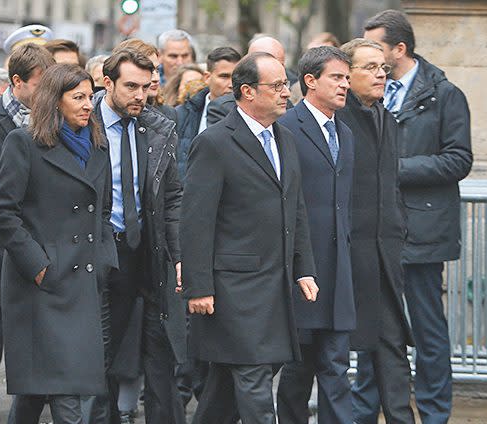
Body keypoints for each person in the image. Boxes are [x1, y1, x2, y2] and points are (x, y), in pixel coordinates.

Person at [181, 51, 319, 424]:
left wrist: (304, 268)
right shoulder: (215, 142)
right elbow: (196, 220)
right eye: (276, 86)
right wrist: (198, 286)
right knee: (254, 379)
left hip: (274, 285)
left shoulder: (285, 139)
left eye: (284, 85)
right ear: (247, 92)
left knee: (230, 385)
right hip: (233, 288)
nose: (286, 93)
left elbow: (296, 209)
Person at [359, 10, 473, 424]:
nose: (370, 56)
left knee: (427, 330)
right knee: (373, 328)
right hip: (375, 230)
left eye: (377, 48)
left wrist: (394, 168)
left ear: (400, 49)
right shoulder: (368, 92)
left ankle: (435, 413)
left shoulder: (445, 95)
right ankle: (365, 410)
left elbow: (458, 159)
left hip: (424, 229)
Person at [0, 63, 116, 424]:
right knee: (61, 388)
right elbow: (3, 213)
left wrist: (103, 261)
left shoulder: (97, 146)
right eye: (77, 97)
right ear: (54, 100)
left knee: (50, 385)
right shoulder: (24, 142)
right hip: (40, 284)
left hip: (83, 280)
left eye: (90, 97)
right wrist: (39, 266)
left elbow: (103, 212)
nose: (88, 104)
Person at [93, 48, 185, 424]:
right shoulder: (84, 123)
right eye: (130, 86)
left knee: (160, 355)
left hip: (148, 254)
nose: (139, 96)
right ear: (107, 82)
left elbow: (173, 195)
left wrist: (178, 256)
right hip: (100, 254)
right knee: (102, 356)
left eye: (146, 87)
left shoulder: (157, 126)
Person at [0, 43, 54, 424]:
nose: (48, 95)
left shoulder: (51, 122)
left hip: (37, 252)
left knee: (31, 341)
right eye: (40, 85)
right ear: (16, 82)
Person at [338, 37, 417, 424]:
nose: (381, 73)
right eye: (369, 67)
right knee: (322, 357)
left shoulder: (386, 116)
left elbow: (392, 185)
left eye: (383, 66)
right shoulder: (334, 120)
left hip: (383, 257)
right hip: (341, 258)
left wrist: (398, 229)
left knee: (392, 350)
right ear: (345, 75)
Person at [275, 46, 355, 424]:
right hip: (300, 272)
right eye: (336, 77)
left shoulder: (347, 133)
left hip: (338, 273)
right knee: (297, 371)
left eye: (346, 77)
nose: (345, 85)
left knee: (337, 367)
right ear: (310, 81)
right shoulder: (285, 128)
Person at [175, 46, 241, 182]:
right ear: (207, 77)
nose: (230, 84)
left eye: (235, 78)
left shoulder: (248, 116)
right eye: (224, 76)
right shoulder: (182, 114)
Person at [206, 36, 293, 125]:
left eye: (279, 64)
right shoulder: (222, 109)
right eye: (264, 62)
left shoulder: (288, 108)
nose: (286, 93)